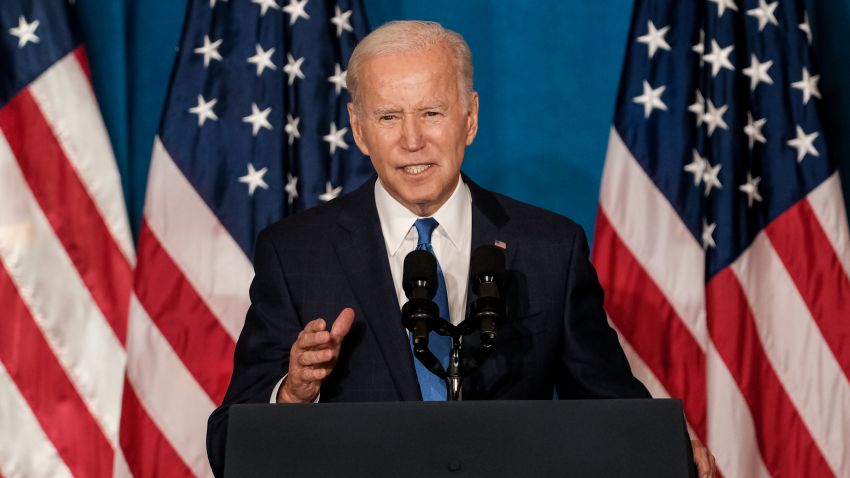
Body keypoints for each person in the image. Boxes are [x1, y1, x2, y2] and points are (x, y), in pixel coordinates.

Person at [206, 20, 716, 477]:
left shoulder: (549, 249)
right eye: (388, 117)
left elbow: (611, 408)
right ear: (359, 130)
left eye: (431, 112)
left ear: (469, 118)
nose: (412, 140)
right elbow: (229, 445)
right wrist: (293, 394)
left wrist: (667, 443)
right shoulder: (296, 254)